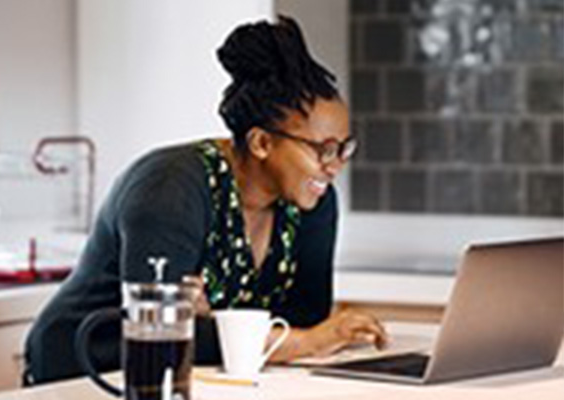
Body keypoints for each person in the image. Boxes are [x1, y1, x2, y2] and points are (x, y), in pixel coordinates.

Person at [23, 15, 388, 385]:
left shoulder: (312, 200)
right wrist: (301, 341)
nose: (335, 166)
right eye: (323, 150)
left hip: (195, 380)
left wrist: (216, 322)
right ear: (261, 142)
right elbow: (160, 334)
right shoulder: (169, 191)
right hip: (85, 374)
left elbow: (305, 318)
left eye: (343, 148)